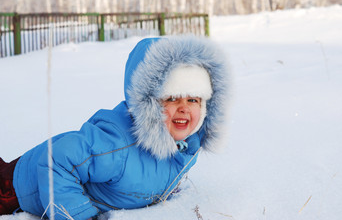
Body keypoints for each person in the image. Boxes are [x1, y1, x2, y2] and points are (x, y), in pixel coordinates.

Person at [0, 36, 228, 220]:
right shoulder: (117, 145)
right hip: (20, 185)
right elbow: (56, 160)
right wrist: (78, 215)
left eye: (193, 100)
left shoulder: (187, 145)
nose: (183, 108)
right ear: (147, 103)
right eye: (171, 98)